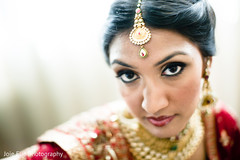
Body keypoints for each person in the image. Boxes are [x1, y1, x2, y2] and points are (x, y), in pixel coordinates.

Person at [8, 0, 240, 159]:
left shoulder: (220, 123)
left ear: (206, 62)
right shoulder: (91, 145)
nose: (152, 105)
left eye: (172, 68)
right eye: (128, 75)